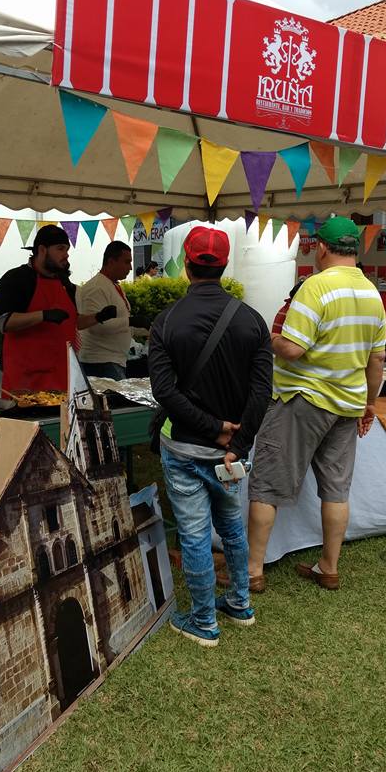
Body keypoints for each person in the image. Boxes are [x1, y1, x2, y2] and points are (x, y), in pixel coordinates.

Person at [243, 216, 386, 592]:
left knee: (267, 484)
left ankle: (252, 570)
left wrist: (269, 338)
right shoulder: (372, 292)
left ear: (321, 248)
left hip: (302, 400)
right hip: (348, 404)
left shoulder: (315, 286)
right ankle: (329, 567)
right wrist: (370, 403)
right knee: (336, 489)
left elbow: (292, 348)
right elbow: (377, 359)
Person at [149, 226, 272, 647]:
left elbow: (164, 392)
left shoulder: (166, 322)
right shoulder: (253, 321)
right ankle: (239, 602)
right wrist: (236, 441)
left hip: (184, 447)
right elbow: (261, 393)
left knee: (195, 533)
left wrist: (214, 429)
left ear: (186, 264)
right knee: (232, 527)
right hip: (229, 457)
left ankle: (203, 621)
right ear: (224, 265)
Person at [0, 225, 116, 395]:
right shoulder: (16, 279)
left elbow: (72, 322)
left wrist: (99, 316)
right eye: (60, 249)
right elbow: (1, 322)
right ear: (42, 250)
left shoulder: (65, 283)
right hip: (25, 381)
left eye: (67, 249)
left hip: (62, 377)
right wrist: (43, 316)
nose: (66, 254)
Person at [77, 240, 134, 380]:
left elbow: (120, 323)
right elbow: (96, 327)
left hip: (112, 362)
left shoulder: (111, 285)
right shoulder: (96, 287)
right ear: (111, 262)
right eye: (127, 262)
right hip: (100, 363)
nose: (131, 267)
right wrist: (130, 321)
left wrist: (145, 328)